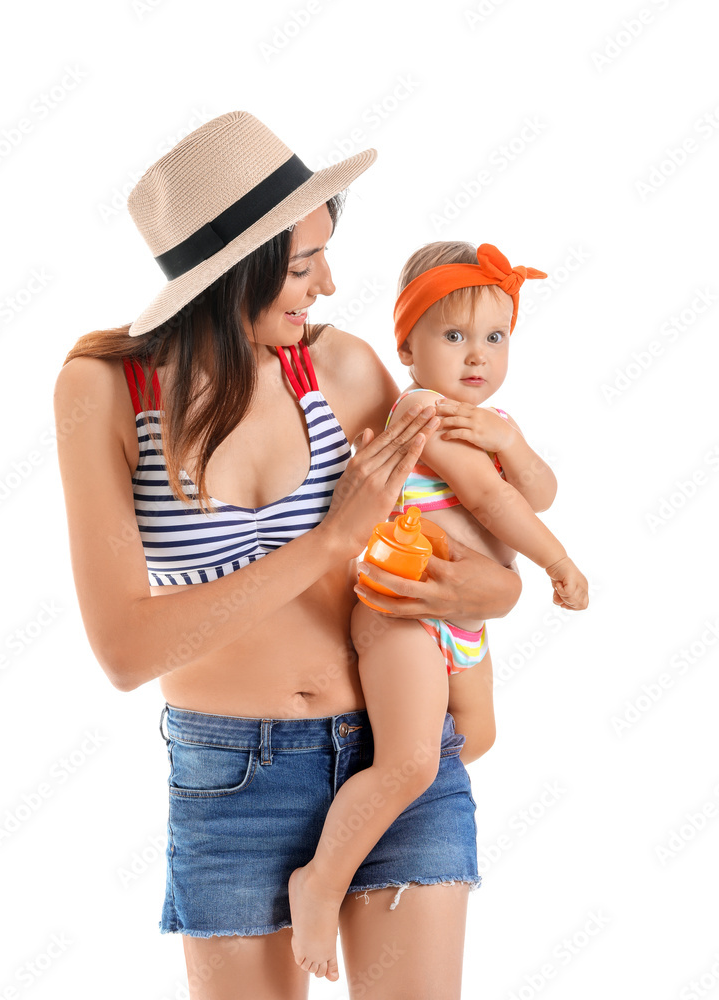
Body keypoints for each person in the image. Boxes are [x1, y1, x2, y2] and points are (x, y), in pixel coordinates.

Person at [53, 111, 521, 999]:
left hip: (396, 754)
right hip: (233, 779)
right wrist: (333, 539)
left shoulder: (340, 369)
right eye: (304, 266)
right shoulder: (106, 392)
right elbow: (125, 650)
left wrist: (496, 591)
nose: (330, 284)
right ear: (234, 272)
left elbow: (464, 549)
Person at [287, 240, 589, 977]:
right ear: (407, 346)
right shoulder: (423, 409)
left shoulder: (487, 421)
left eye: (495, 337)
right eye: (453, 336)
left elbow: (537, 491)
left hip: (463, 624)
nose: (477, 355)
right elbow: (492, 500)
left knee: (474, 737)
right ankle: (319, 883)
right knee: (415, 762)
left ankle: (373, 782)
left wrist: (512, 441)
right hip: (402, 613)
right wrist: (556, 560)